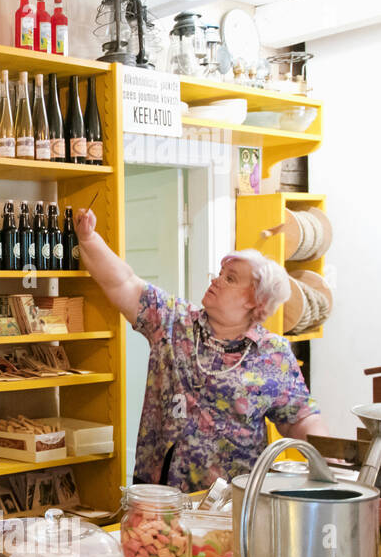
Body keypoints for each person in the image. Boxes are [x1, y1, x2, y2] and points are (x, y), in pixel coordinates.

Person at [73, 207, 328, 492]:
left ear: (256, 301)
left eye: (230, 278)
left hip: (233, 503)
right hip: (160, 495)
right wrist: (89, 238)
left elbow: (300, 418)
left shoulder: (273, 354)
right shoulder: (173, 321)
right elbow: (123, 281)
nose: (216, 280)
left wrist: (328, 465)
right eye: (220, 273)